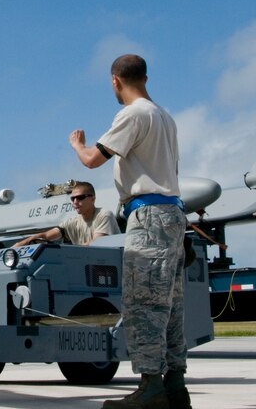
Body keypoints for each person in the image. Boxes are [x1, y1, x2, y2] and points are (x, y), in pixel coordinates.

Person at [68, 54, 189, 409]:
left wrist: (76, 144)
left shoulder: (133, 114)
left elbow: (92, 159)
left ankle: (150, 387)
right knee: (171, 305)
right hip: (172, 213)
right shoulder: (165, 117)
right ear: (145, 78)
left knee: (143, 303)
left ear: (115, 81)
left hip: (148, 216)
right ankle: (175, 385)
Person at [14, 181, 118, 247]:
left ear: (93, 199)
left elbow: (95, 244)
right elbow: (45, 236)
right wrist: (19, 245)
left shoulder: (104, 215)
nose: (75, 202)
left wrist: (65, 252)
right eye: (72, 199)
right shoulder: (71, 223)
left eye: (80, 197)